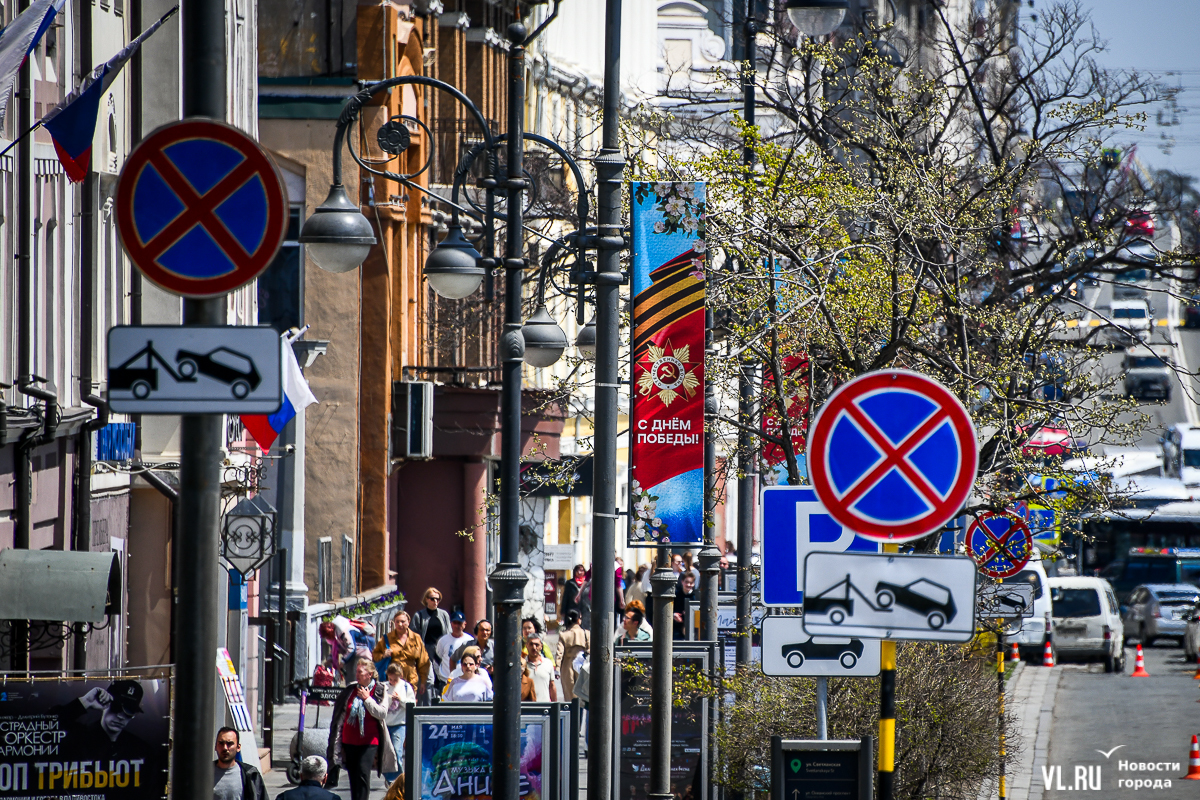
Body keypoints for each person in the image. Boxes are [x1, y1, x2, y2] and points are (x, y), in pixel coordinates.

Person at [326, 657, 399, 800]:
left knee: (363, 774)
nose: (357, 674)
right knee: (353, 776)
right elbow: (340, 716)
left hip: (369, 742)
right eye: (356, 672)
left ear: (369, 674)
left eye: (360, 672)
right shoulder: (350, 690)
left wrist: (367, 699)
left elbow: (382, 713)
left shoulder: (380, 689)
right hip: (349, 741)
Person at [54, 680, 148, 760]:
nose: (121, 716)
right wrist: (84, 702)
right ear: (104, 703)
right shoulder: (79, 737)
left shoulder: (139, 748)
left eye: (129, 711)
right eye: (116, 707)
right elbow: (46, 725)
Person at [373, 611, 430, 693]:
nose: (400, 624)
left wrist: (423, 682)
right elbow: (375, 655)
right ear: (394, 623)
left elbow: (423, 662)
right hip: (392, 681)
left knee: (409, 704)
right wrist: (383, 655)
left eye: (403, 622)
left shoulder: (416, 638)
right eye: (397, 621)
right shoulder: (387, 638)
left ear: (408, 622)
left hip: (411, 681)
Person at [410, 588, 450, 700]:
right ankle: (429, 705)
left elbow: (448, 632)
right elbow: (413, 635)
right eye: (432, 599)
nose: (435, 601)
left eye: (438, 599)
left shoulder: (444, 615)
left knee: (442, 678)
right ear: (426, 599)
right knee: (428, 679)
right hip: (426, 650)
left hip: (441, 650)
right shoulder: (419, 615)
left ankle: (441, 700)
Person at [381, 663, 416, 785]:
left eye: (395, 679)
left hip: (400, 724)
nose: (392, 682)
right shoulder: (383, 686)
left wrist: (400, 699)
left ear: (400, 676)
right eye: (390, 679)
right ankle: (390, 777)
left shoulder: (406, 687)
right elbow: (379, 704)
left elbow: (412, 705)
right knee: (386, 754)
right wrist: (389, 698)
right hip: (385, 724)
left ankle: (397, 780)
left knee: (397, 751)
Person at [213, 727, 267, 800]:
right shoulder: (203, 774)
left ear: (238, 747)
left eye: (229, 744)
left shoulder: (250, 775)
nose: (225, 748)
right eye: (221, 743)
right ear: (216, 747)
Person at [554, 609, 590, 700]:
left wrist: (557, 669)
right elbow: (590, 649)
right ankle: (580, 712)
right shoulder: (586, 633)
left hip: (567, 664)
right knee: (582, 694)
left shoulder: (563, 634)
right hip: (582, 663)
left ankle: (571, 713)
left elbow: (559, 653)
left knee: (569, 694)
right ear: (578, 620)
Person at [435, 612, 474, 689]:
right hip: (446, 681)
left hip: (464, 681)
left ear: (464, 624)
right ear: (451, 624)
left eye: (459, 623)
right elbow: (437, 659)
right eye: (454, 623)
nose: (457, 626)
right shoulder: (443, 640)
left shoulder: (470, 640)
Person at [525, 635, 557, 701]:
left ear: (541, 646)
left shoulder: (548, 663)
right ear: (527, 646)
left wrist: (555, 707)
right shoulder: (521, 664)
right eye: (531, 644)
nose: (534, 647)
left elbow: (552, 686)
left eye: (537, 645)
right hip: (526, 706)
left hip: (545, 706)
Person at [674, 572, 697, 640]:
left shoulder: (696, 596)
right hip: (676, 627)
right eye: (686, 582)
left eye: (691, 583)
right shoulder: (676, 595)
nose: (688, 585)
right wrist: (674, 615)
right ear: (682, 582)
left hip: (692, 627)